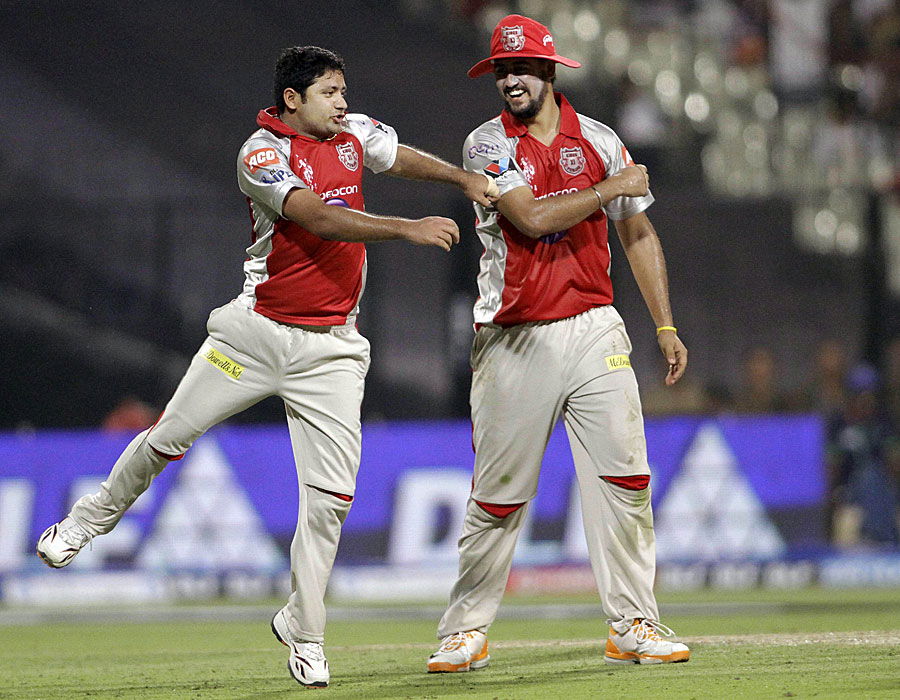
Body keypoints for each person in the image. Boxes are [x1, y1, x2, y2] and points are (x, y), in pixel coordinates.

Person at [35, 45, 498, 689]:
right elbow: (315, 216)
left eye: (343, 90)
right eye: (330, 92)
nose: (342, 102)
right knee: (170, 437)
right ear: (293, 99)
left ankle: (305, 632)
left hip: (332, 350)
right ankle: (89, 520)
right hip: (255, 335)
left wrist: (461, 179)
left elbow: (400, 156)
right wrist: (404, 227)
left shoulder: (353, 132)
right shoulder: (260, 153)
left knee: (331, 500)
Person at [426, 14, 690, 673]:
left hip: (594, 325)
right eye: (500, 71)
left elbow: (638, 234)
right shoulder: (487, 144)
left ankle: (633, 621)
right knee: (499, 494)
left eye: (521, 68)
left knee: (626, 478)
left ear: (549, 70)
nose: (510, 80)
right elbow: (532, 217)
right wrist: (608, 189)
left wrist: (664, 324)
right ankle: (465, 630)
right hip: (514, 335)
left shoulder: (598, 138)